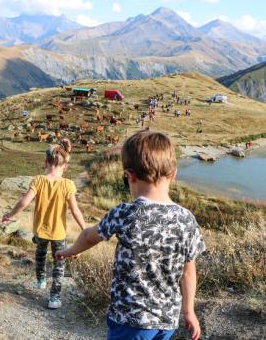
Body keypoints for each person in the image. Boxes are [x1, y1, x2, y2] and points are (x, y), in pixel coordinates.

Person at [56, 131, 206, 340]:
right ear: (173, 174)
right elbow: (188, 272)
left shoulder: (124, 213)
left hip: (130, 320)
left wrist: (69, 250)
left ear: (129, 175)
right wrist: (189, 311)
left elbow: (90, 236)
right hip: (167, 320)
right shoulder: (186, 219)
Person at [2, 138, 86, 309]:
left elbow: (24, 202)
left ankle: (40, 280)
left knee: (40, 255)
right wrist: (85, 229)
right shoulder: (68, 184)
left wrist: (9, 215)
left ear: (45, 162)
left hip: (40, 231)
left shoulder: (38, 180)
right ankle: (54, 298)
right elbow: (76, 210)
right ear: (65, 166)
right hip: (59, 233)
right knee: (59, 265)